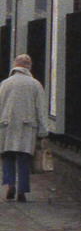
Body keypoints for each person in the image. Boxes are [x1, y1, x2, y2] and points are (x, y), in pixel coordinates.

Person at [0, 54, 49, 202]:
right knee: (24, 159)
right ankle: (22, 189)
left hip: (6, 126)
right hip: (27, 127)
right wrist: (43, 130)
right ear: (29, 66)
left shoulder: (5, 83)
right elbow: (40, 109)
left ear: (15, 65)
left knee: (7, 156)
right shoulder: (35, 84)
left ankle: (10, 184)